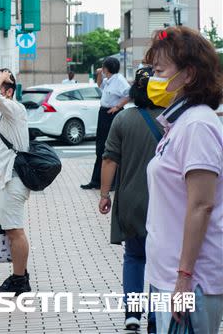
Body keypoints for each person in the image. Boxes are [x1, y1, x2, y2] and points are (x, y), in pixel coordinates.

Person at [142, 26, 223, 334]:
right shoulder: (180, 123)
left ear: (188, 75)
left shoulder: (198, 125)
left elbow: (201, 205)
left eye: (159, 70)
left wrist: (184, 277)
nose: (153, 78)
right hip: (171, 276)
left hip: (191, 281)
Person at [99, 67, 163, 332]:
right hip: (165, 204)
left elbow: (110, 159)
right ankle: (156, 316)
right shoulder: (173, 120)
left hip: (131, 200)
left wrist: (104, 195)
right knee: (163, 261)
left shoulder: (123, 120)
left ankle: (133, 314)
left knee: (134, 257)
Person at [0, 69, 32, 296]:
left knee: (15, 231)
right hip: (8, 179)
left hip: (13, 180)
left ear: (9, 91)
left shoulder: (14, 109)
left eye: (0, 84)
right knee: (12, 230)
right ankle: (19, 275)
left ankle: (20, 279)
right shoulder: (9, 113)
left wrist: (2, 78)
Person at [82, 57, 130, 190]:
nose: (101, 69)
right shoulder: (109, 80)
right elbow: (100, 85)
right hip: (103, 113)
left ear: (107, 68)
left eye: (102, 67)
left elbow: (129, 93)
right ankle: (96, 180)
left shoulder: (119, 80)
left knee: (110, 147)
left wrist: (117, 107)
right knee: (100, 148)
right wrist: (98, 74)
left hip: (112, 114)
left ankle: (112, 182)